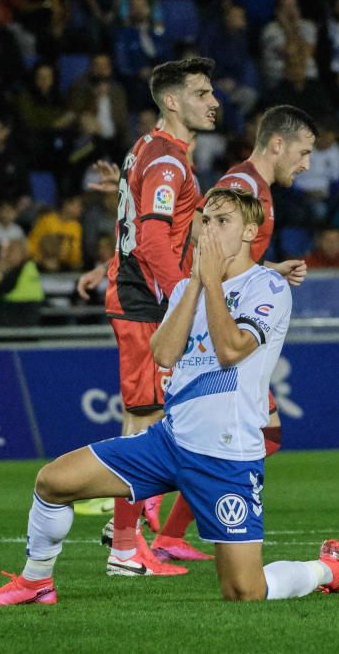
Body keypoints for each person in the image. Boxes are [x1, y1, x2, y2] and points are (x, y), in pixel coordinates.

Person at [0, 187, 339, 606]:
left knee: (244, 591)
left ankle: (327, 570)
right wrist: (195, 286)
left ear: (250, 232)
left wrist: (212, 284)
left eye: (223, 221)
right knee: (53, 481)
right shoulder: (191, 287)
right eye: (205, 220)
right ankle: (36, 581)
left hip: (227, 456)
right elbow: (163, 352)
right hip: (168, 443)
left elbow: (230, 350)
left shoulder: (269, 288)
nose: (209, 230)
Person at [149, 105, 316, 562]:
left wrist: (268, 270)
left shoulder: (254, 186)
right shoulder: (242, 188)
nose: (305, 164)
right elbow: (207, 252)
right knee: (257, 435)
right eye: (303, 152)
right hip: (211, 322)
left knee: (268, 435)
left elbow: (233, 264)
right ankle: (159, 527)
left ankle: (168, 533)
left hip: (219, 310)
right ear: (276, 144)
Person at [74, 57, 220, 577]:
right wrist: (182, 296)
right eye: (202, 93)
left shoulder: (151, 150)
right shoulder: (166, 162)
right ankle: (123, 548)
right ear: (173, 101)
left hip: (137, 297)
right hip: (145, 304)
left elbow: (154, 226)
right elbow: (155, 240)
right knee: (143, 422)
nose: (213, 101)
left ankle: (126, 536)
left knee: (144, 417)